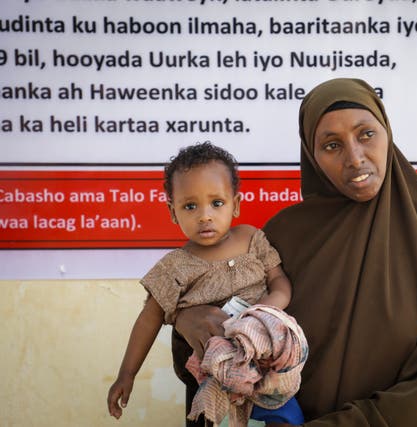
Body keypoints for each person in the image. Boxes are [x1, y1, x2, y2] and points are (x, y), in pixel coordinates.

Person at [174, 78, 417, 426]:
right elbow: (225, 345)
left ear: (387, 133)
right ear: (312, 156)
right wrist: (187, 320)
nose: (355, 157)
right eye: (332, 145)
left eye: (366, 134)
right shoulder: (282, 237)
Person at [107, 142, 305, 425]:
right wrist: (126, 374)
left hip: (266, 362)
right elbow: (148, 319)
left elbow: (279, 281)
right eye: (190, 206)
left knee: (286, 417)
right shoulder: (174, 266)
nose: (205, 215)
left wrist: (262, 315)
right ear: (173, 212)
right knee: (206, 417)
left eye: (217, 203)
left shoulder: (252, 239)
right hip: (211, 374)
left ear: (235, 205)